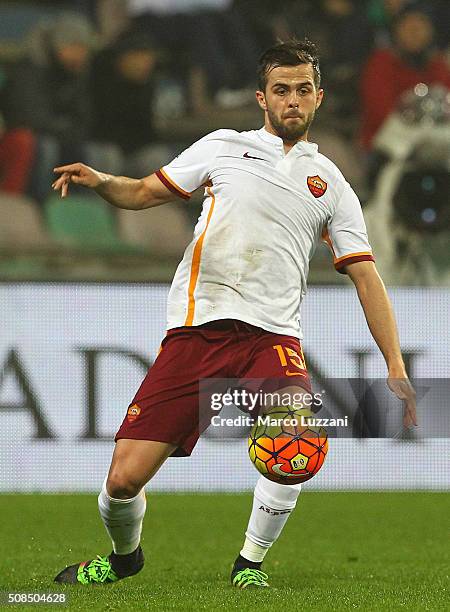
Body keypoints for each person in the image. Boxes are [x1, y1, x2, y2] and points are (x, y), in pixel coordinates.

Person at [52, 39, 417, 588]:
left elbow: (366, 274)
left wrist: (394, 362)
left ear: (319, 97)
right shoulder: (223, 146)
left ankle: (249, 564)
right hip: (197, 332)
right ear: (261, 98)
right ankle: (124, 557)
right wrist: (103, 182)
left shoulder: (333, 185)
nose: (292, 100)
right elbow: (146, 192)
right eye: (280, 90)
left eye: (302, 90)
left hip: (272, 337)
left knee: (295, 442)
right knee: (123, 481)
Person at [360, 5, 450, 150]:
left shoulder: (438, 65)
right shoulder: (381, 62)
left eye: (420, 26)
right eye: (408, 26)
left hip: (434, 145)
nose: (414, 32)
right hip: (386, 145)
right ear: (396, 31)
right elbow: (380, 112)